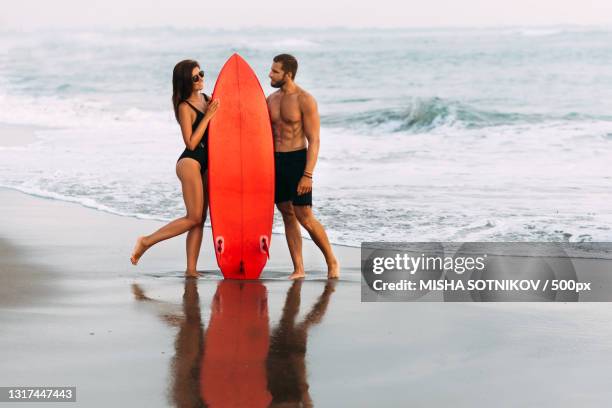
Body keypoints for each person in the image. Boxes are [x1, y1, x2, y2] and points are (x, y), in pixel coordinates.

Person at [130, 59, 220, 278]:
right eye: (195, 77)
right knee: (193, 217)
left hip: (208, 163)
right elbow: (190, 142)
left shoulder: (207, 99)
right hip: (190, 162)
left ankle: (191, 269)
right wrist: (208, 116)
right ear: (184, 82)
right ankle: (146, 241)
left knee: (200, 218)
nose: (201, 80)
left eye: (202, 74)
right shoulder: (184, 107)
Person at [267, 54, 339, 280]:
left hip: (297, 160)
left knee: (304, 215)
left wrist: (307, 174)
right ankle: (298, 268)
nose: (270, 74)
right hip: (274, 162)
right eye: (271, 70)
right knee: (287, 214)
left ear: (288, 74)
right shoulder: (270, 99)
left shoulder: (305, 99)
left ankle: (331, 260)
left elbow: (314, 140)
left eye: (275, 71)